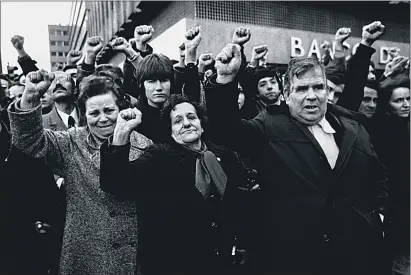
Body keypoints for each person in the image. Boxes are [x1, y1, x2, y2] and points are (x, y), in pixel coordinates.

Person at [204, 43, 389, 275]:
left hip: (354, 255)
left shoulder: (353, 128)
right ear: (286, 94)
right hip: (295, 257)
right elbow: (225, 130)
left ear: (327, 92)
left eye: (318, 87)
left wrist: (378, 217)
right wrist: (224, 78)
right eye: (301, 89)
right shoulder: (267, 126)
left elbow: (377, 176)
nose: (311, 96)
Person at [8, 71, 152, 275]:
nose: (103, 119)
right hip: (86, 258)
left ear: (120, 109)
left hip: (135, 259)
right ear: (84, 115)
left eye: (109, 110)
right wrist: (31, 95)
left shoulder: (144, 145)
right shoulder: (72, 142)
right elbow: (29, 142)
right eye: (94, 113)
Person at [100, 93, 246, 275]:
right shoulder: (159, 156)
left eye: (191, 117)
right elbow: (115, 182)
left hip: (221, 261)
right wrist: (121, 134)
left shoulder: (225, 156)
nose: (186, 123)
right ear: (170, 130)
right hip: (174, 262)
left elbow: (240, 204)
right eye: (178, 121)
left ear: (201, 124)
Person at [373, 75, 410, 275]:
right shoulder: (383, 130)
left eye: (408, 99)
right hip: (395, 207)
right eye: (398, 100)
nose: (405, 105)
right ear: (387, 104)